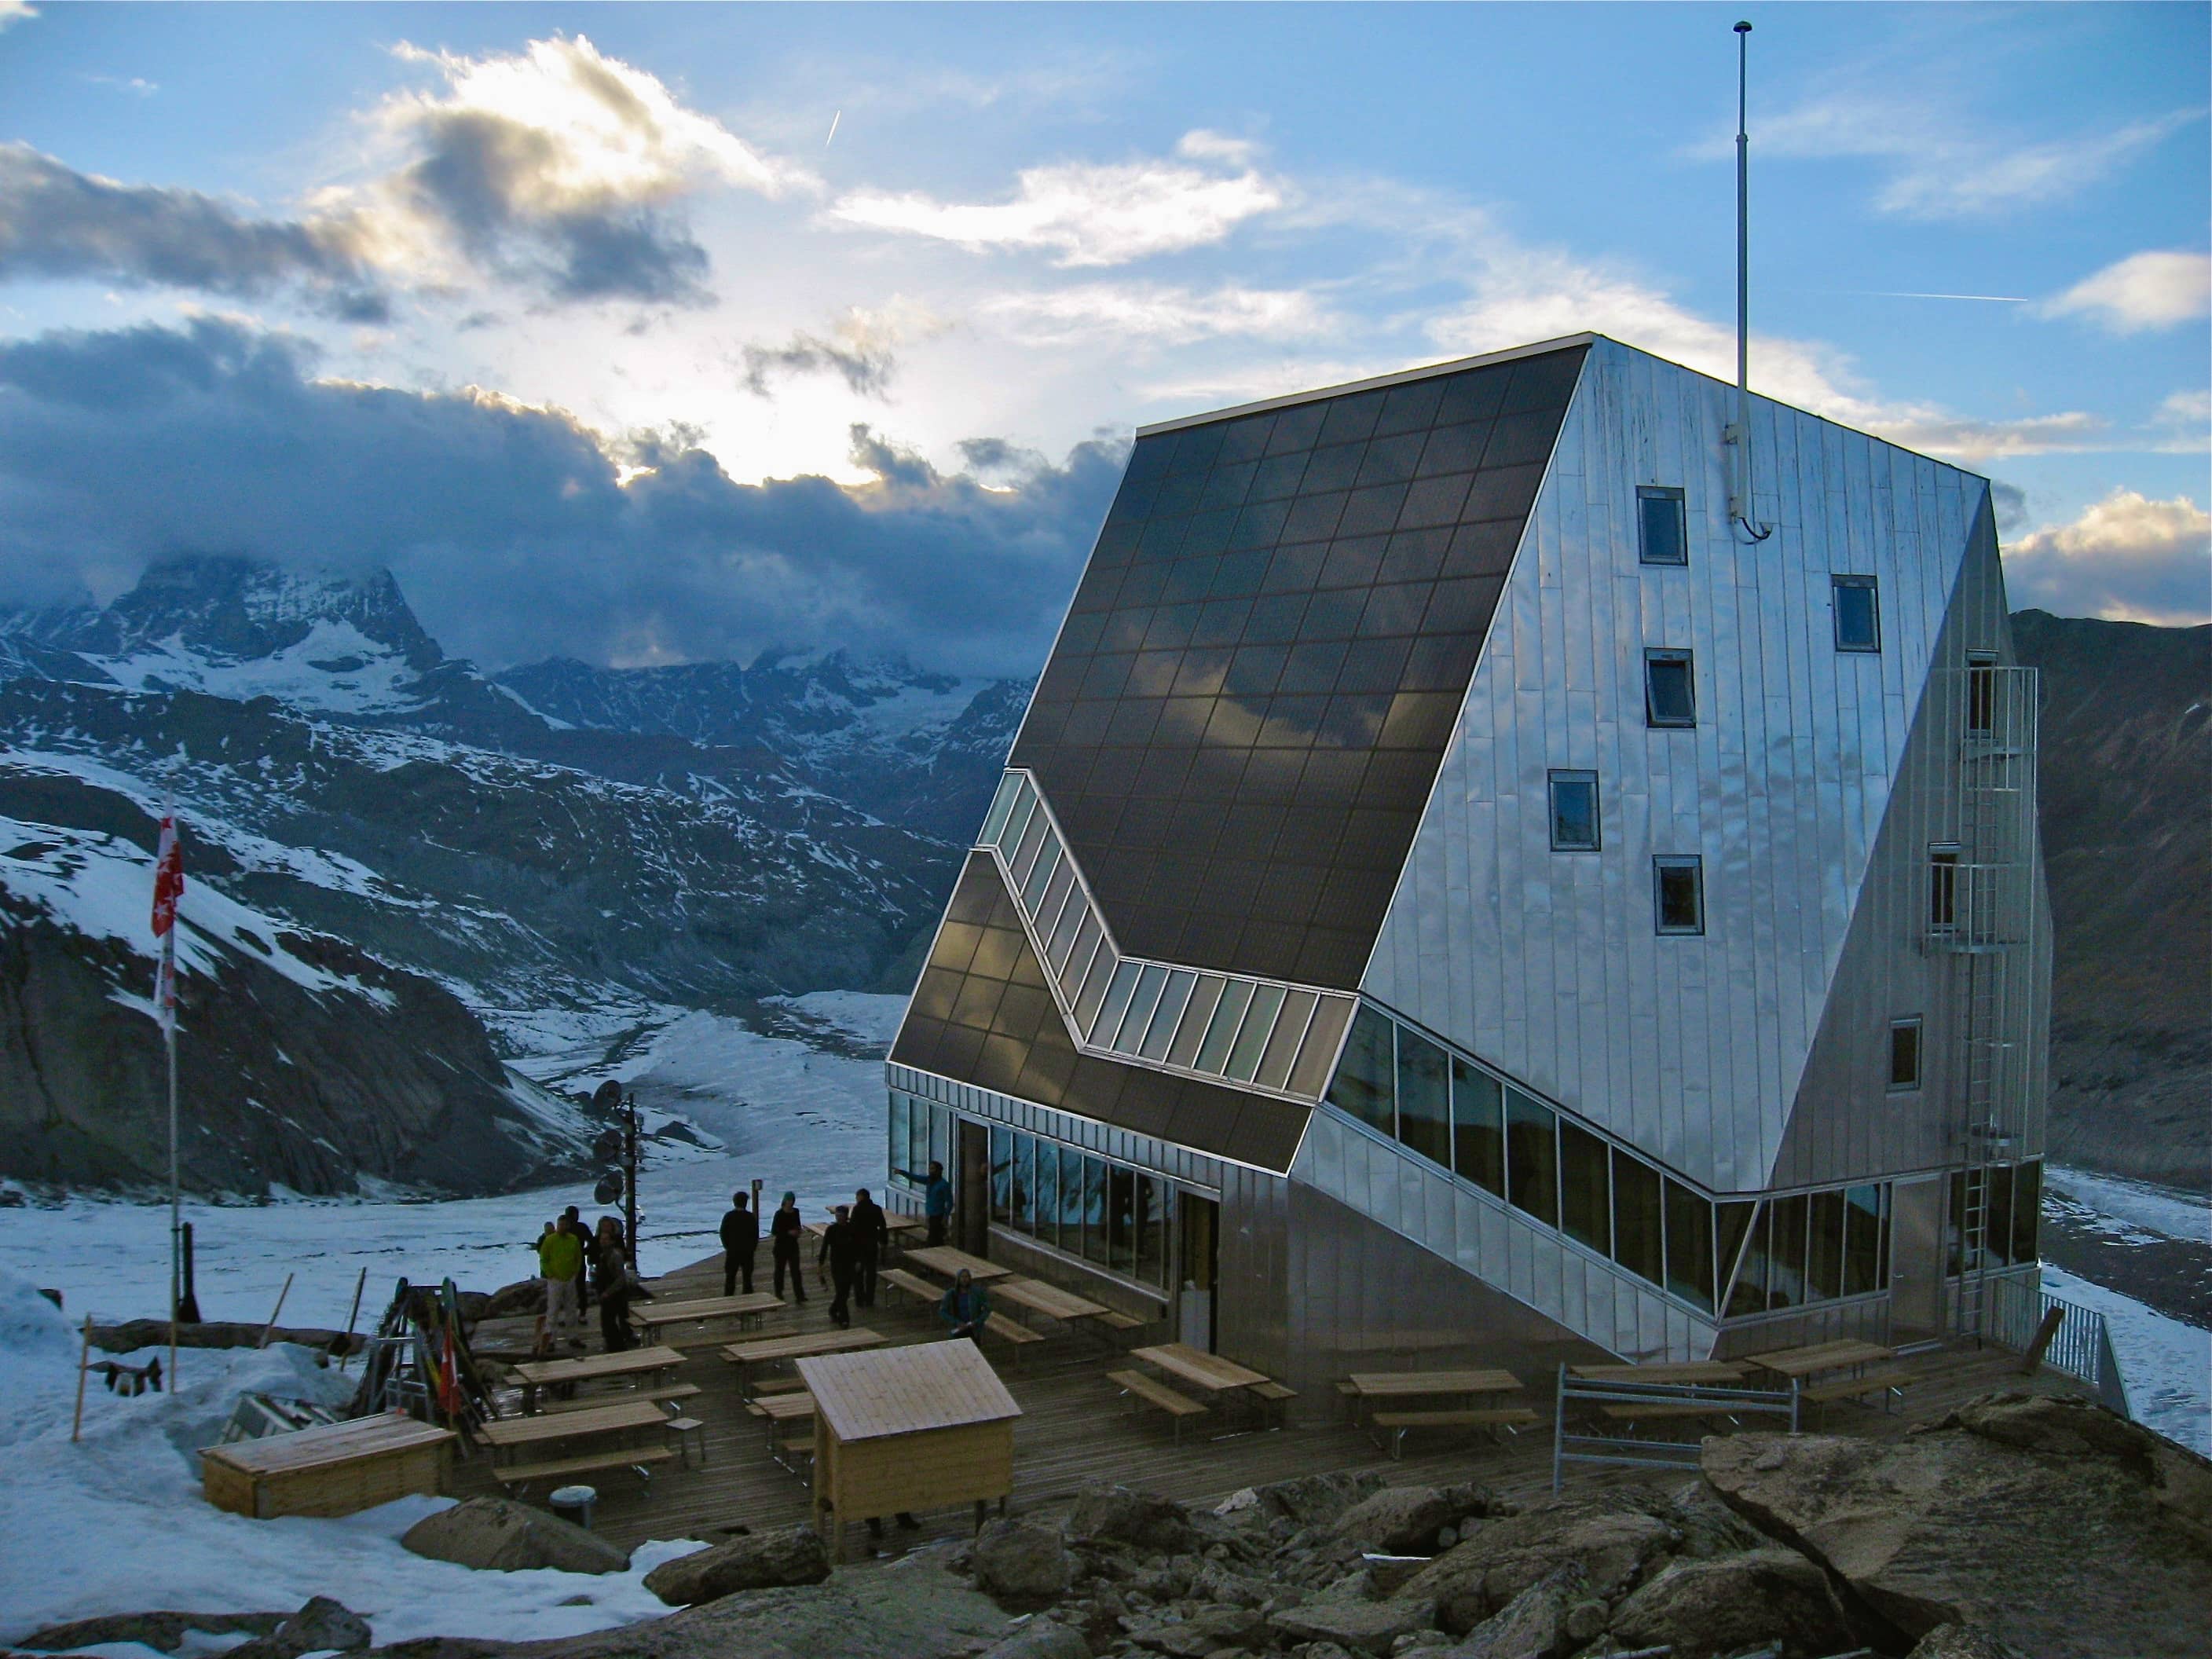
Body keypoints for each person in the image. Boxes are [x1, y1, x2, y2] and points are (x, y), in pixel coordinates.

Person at [591, 1215, 635, 1352]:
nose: (602, 1242)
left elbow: (620, 1278)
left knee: (614, 1319)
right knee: (607, 1321)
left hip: (614, 1292)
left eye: (605, 1240)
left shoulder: (615, 1255)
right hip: (606, 1290)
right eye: (601, 1240)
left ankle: (618, 1345)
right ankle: (613, 1344)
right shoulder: (603, 1255)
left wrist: (608, 1292)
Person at [538, 1213, 584, 1341]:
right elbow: (544, 1258)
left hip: (570, 1278)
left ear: (568, 1226)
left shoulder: (573, 1239)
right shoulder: (550, 1240)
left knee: (571, 1309)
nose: (562, 1227)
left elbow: (578, 1257)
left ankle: (573, 1336)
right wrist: (550, 1274)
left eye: (565, 1225)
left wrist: (576, 1272)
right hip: (555, 1280)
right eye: (560, 1225)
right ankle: (550, 1339)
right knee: (553, 1310)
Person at [817, 1204, 862, 1328]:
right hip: (836, 1264)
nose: (838, 1218)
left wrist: (858, 1260)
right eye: (837, 1216)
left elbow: (858, 1246)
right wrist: (820, 1264)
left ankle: (833, 1309)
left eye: (841, 1216)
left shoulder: (852, 1228)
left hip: (850, 1264)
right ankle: (844, 1319)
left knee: (845, 1292)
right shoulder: (831, 1230)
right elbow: (824, 1247)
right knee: (841, 1291)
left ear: (846, 1216)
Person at [850, 1187, 888, 1308]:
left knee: (858, 1274)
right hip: (872, 1244)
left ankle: (859, 1299)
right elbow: (883, 1226)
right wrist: (883, 1242)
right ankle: (870, 1299)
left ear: (860, 1197)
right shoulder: (876, 1209)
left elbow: (853, 1229)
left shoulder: (857, 1209)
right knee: (871, 1273)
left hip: (859, 1245)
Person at [903, 1159, 954, 1247]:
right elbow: (915, 1178)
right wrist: (902, 1173)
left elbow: (950, 1202)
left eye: (933, 1169)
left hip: (938, 1216)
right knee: (935, 1239)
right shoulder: (929, 1181)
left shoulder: (944, 1185)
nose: (930, 1171)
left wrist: (946, 1217)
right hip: (930, 1215)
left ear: (939, 1171)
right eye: (930, 1169)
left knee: (934, 1240)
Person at [770, 1192, 808, 1304]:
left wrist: (798, 1231)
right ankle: (779, 1293)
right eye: (789, 1200)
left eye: (792, 1200)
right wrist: (788, 1232)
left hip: (793, 1245)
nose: (791, 1202)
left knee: (796, 1271)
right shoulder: (779, 1214)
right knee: (779, 1271)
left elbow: (798, 1225)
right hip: (781, 1246)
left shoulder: (796, 1212)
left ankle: (799, 1295)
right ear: (785, 1201)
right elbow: (774, 1231)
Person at [720, 1190, 759, 1297]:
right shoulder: (750, 1217)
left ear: (734, 1202)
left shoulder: (729, 1216)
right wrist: (752, 1248)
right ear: (746, 1203)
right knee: (747, 1280)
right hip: (747, 1252)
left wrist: (727, 1246)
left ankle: (729, 1303)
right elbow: (755, 1236)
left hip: (733, 1251)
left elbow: (723, 1233)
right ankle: (748, 1305)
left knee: (730, 1279)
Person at [938, 1268, 991, 1342]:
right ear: (958, 1279)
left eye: (966, 1277)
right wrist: (956, 1322)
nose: (964, 1279)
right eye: (962, 1277)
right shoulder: (951, 1294)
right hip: (958, 1329)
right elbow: (943, 1311)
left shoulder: (977, 1293)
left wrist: (977, 1321)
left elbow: (987, 1309)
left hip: (973, 1329)